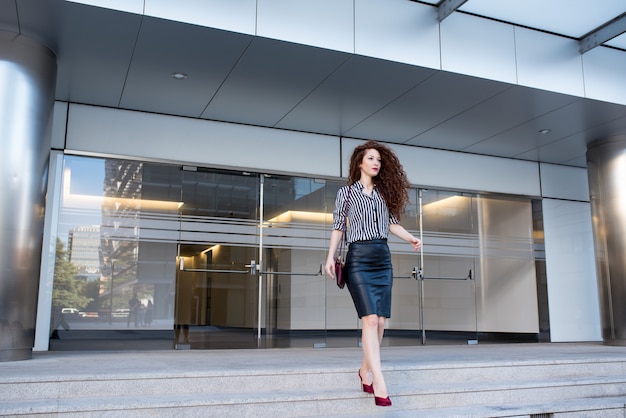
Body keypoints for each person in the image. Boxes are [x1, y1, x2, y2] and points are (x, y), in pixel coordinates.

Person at [325, 140, 421, 407]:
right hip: (358, 259)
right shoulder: (346, 194)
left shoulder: (383, 194)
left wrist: (411, 238)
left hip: (382, 258)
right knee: (369, 319)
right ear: (359, 163)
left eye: (378, 159)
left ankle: (364, 370)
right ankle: (379, 380)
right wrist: (330, 257)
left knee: (380, 322)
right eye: (370, 158)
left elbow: (392, 224)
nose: (376, 163)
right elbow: (338, 228)